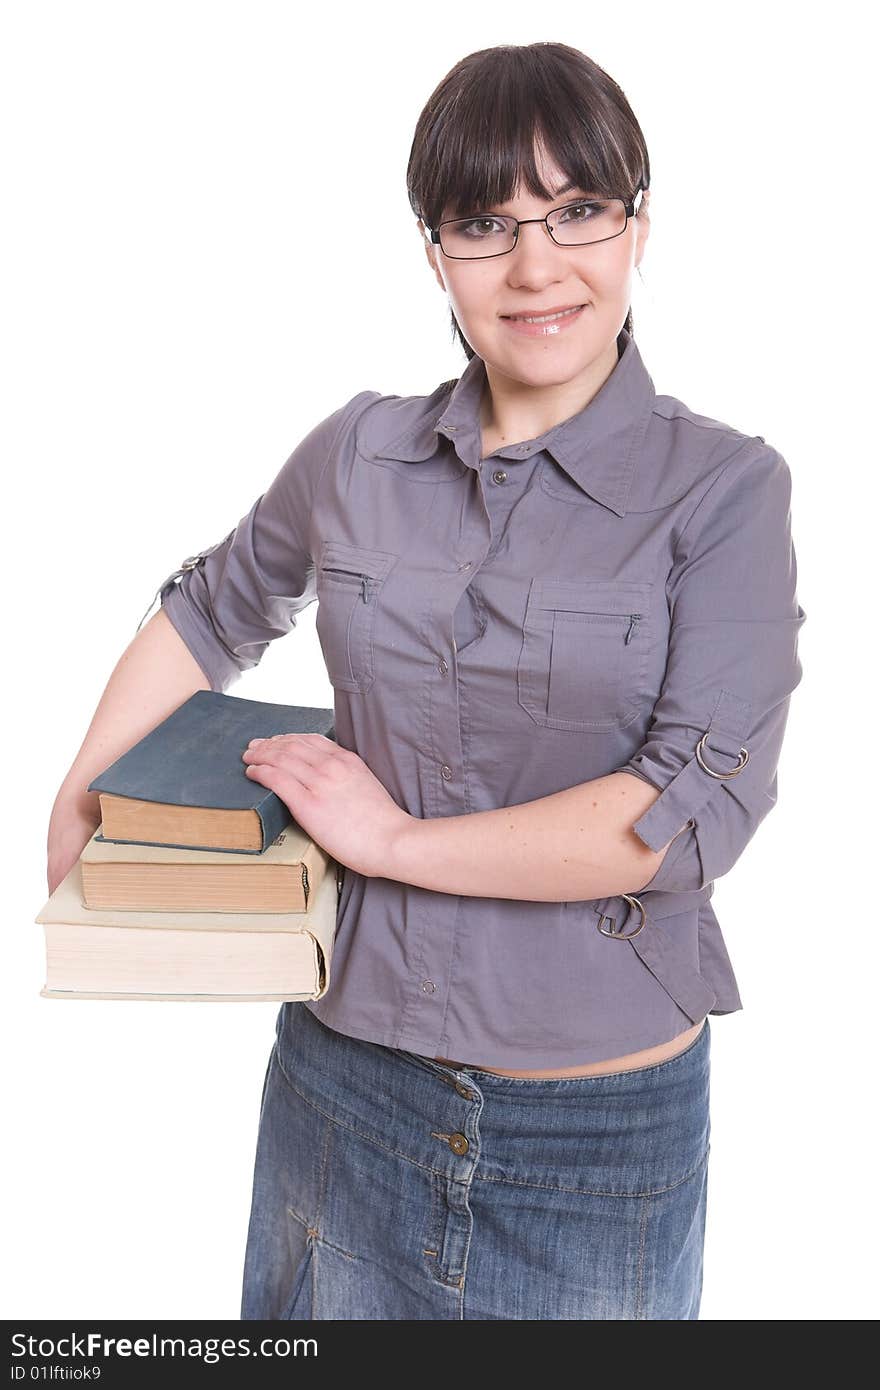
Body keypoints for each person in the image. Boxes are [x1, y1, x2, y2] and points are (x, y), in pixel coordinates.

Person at [47, 41, 806, 1320]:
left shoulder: (726, 491)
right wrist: (78, 795)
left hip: (596, 1136)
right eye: (483, 223)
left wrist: (394, 839)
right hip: (342, 1089)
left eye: (577, 210)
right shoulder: (356, 452)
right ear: (434, 251)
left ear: (635, 227)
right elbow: (215, 605)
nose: (534, 265)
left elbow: (682, 814)